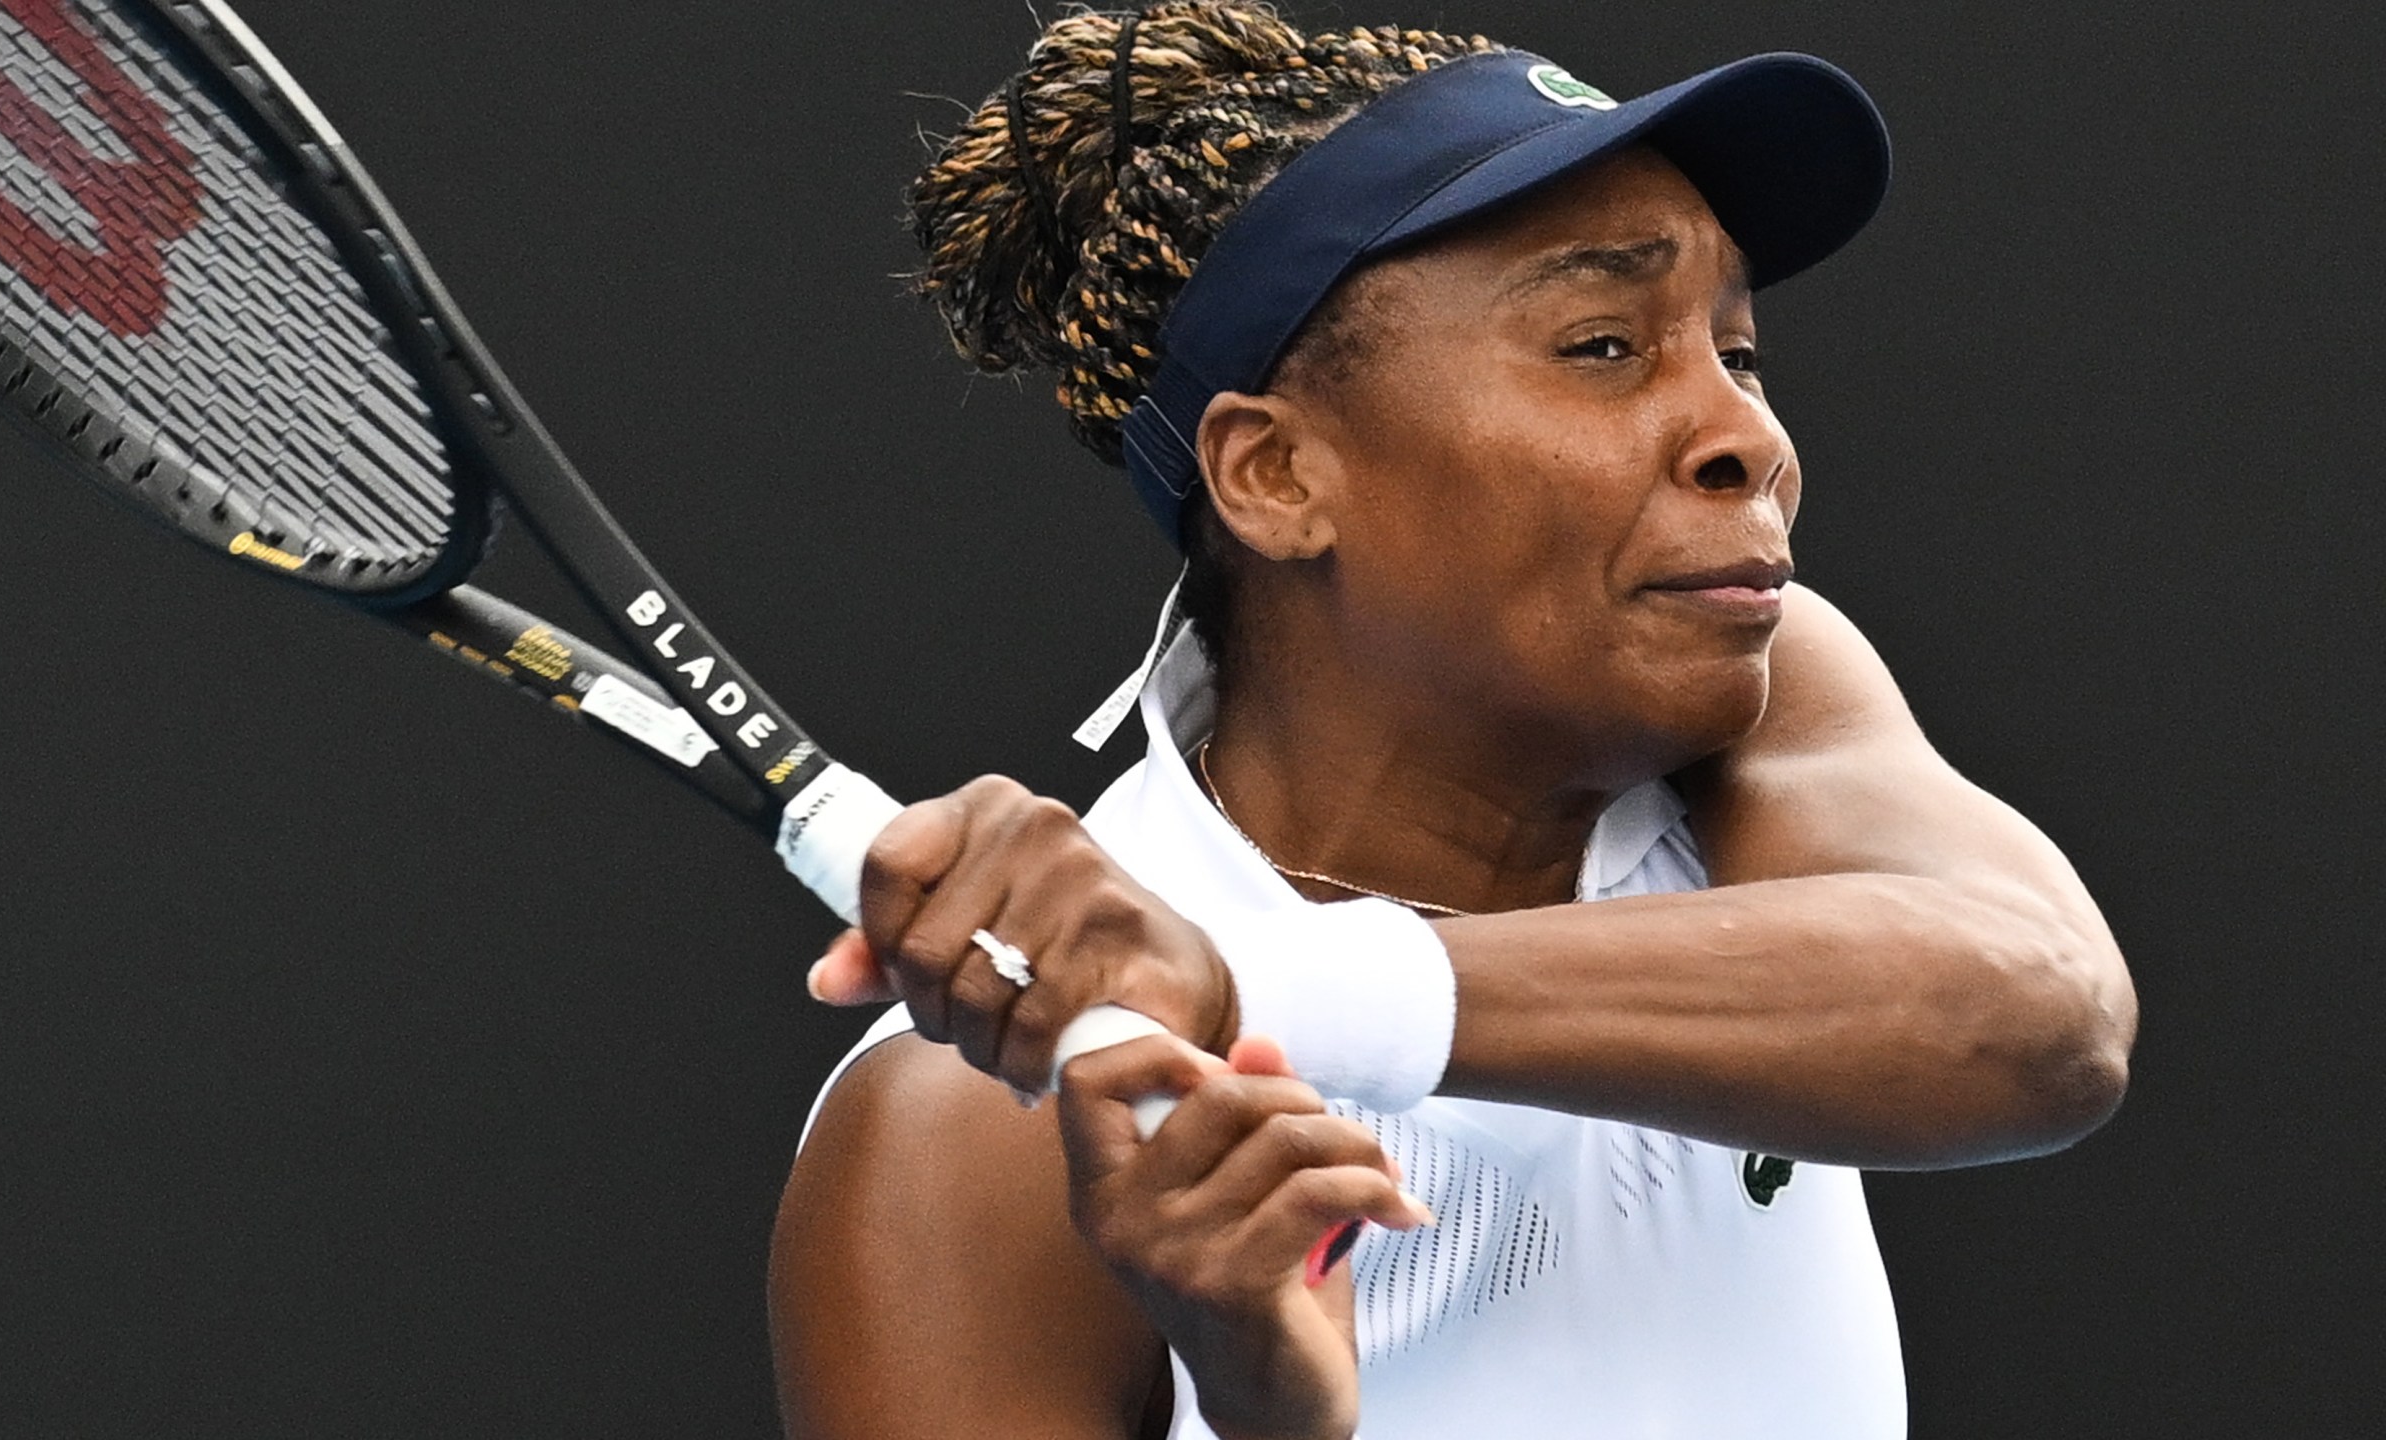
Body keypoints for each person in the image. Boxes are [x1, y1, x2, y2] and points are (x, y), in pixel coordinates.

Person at [772, 6, 2136, 1437]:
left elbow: (2046, 1014)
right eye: (1604, 344)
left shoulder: (1760, 692)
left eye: (1737, 352)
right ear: (1277, 474)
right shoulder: (967, 1140)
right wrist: (1273, 1419)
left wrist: (1246, 990)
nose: (1754, 438)